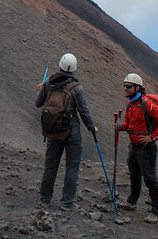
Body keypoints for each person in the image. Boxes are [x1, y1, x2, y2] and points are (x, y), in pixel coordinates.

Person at [34, 53, 97, 209]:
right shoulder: (77, 88)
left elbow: (38, 103)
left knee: (50, 165)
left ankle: (44, 199)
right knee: (72, 166)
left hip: (53, 131)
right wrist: (91, 127)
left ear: (60, 65)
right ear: (74, 70)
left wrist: (41, 89)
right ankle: (67, 202)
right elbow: (84, 111)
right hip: (71, 132)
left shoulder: (48, 83)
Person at [117, 73, 158, 224]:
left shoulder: (147, 104)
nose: (125, 89)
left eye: (128, 86)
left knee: (150, 179)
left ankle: (157, 211)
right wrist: (120, 127)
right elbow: (129, 125)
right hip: (133, 145)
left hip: (146, 147)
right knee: (134, 175)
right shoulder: (130, 104)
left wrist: (151, 137)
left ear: (137, 87)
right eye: (124, 86)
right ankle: (131, 202)